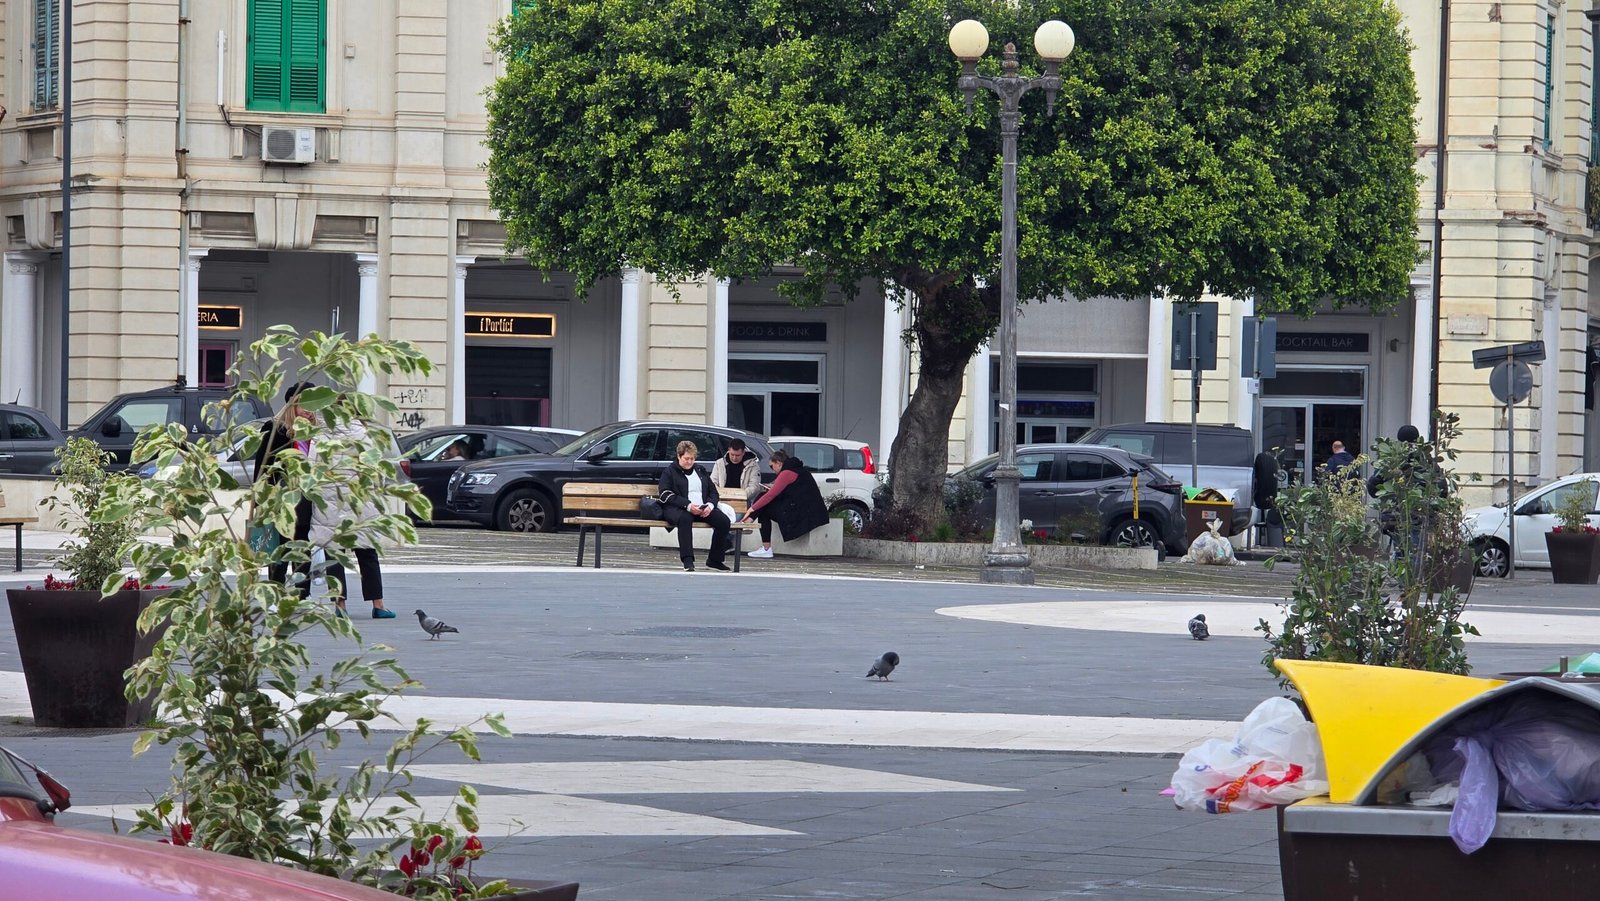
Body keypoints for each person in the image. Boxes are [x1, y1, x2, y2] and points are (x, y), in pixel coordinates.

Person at [308, 409, 395, 618]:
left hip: (330, 502)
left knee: (335, 554)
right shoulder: (364, 435)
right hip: (360, 502)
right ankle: (379, 605)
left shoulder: (321, 434)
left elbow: (310, 468)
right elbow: (376, 469)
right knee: (367, 553)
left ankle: (340, 605)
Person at [254, 382, 318, 593]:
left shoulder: (316, 433)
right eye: (304, 405)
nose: (309, 411)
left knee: (302, 542)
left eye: (312, 405)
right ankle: (277, 588)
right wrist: (260, 495)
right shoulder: (275, 429)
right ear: (293, 406)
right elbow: (263, 464)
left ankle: (302, 591)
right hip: (281, 495)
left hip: (307, 497)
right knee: (280, 543)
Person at [657, 440, 733, 572]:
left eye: (692, 458)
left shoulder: (700, 470)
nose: (689, 462)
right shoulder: (670, 472)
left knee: (723, 521)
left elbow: (713, 492)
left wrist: (709, 506)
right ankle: (688, 560)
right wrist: (688, 505)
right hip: (679, 508)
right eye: (686, 458)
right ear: (679, 457)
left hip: (702, 509)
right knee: (685, 519)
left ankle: (715, 560)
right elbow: (664, 494)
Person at [740, 449, 829, 558]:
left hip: (803, 515)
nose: (772, 470)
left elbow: (770, 496)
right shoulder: (797, 469)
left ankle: (751, 527)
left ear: (778, 463)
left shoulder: (787, 473)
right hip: (808, 511)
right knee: (763, 500)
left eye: (772, 466)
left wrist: (752, 509)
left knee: (763, 503)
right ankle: (750, 526)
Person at [708, 438, 766, 503]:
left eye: (738, 455)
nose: (734, 458)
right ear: (728, 450)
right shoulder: (719, 463)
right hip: (721, 499)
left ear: (743, 453)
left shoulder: (753, 466)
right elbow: (712, 483)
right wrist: (721, 495)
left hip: (744, 500)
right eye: (732, 454)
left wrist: (740, 496)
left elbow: (754, 487)